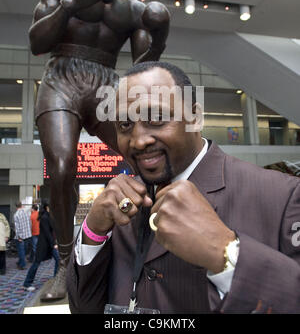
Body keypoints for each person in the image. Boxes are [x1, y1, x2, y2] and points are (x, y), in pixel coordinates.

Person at [67, 61, 300, 314]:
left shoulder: (284, 196)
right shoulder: (119, 206)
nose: (139, 140)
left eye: (156, 118)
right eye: (125, 125)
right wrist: (93, 232)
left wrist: (228, 255)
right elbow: (83, 307)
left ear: (195, 117)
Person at [29, 0, 169, 300]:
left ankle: (150, 247)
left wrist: (158, 37)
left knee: (148, 154)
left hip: (107, 84)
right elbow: (37, 42)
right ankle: (65, 263)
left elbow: (143, 69)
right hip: (62, 78)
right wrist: (71, 4)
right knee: (60, 166)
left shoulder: (135, 9)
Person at [23, 201, 60, 292]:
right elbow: (47, 233)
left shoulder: (47, 216)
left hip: (48, 244)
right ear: (47, 207)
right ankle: (27, 283)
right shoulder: (44, 217)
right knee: (36, 263)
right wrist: (54, 244)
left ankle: (55, 280)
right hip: (44, 245)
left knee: (58, 259)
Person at [13, 202, 32, 270]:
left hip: (21, 236)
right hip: (28, 235)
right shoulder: (26, 213)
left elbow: (17, 227)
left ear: (16, 207)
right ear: (21, 205)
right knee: (24, 250)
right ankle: (20, 261)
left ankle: (22, 265)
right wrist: (29, 231)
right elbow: (30, 223)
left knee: (21, 251)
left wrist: (19, 237)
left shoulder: (16, 215)